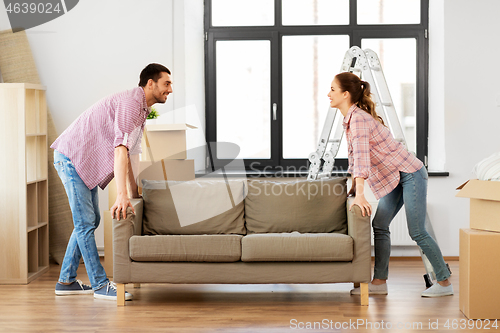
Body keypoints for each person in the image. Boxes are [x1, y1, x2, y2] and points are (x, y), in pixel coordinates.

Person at [51, 63, 173, 300]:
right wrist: (121, 195)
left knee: (90, 220)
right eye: (166, 83)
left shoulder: (141, 110)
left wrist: (135, 193)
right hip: (72, 159)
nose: (170, 89)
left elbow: (132, 153)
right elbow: (120, 150)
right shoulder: (129, 104)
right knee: (86, 222)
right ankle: (99, 285)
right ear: (151, 83)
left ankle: (66, 281)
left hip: (84, 162)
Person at [328, 72, 453, 297]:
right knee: (380, 223)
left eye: (333, 90)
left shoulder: (357, 119)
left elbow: (363, 157)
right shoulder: (350, 118)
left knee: (416, 231)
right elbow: (355, 155)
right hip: (393, 177)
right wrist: (356, 188)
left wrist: (361, 193)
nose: (329, 94)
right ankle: (379, 282)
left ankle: (444, 282)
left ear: (345, 94)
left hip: (410, 172)